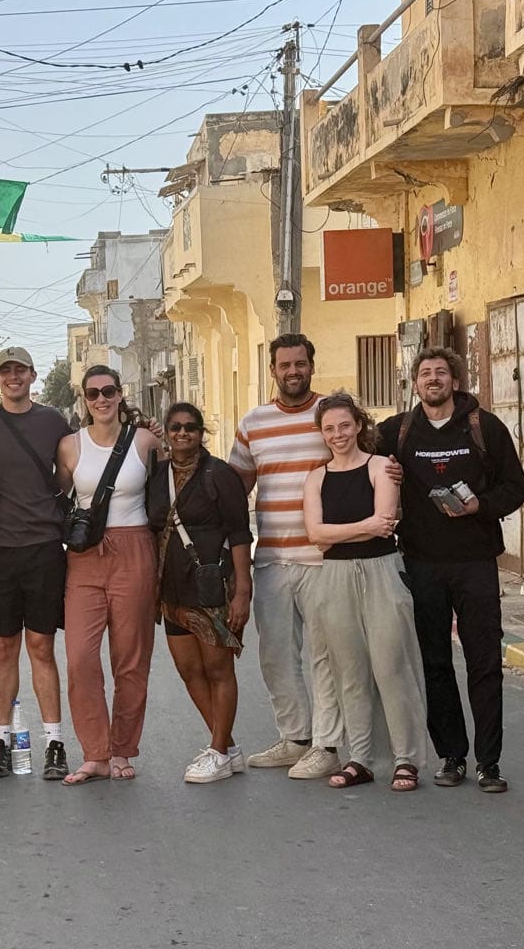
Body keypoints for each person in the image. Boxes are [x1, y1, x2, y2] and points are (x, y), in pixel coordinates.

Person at [377, 348, 524, 793]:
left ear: (455, 382)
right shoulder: (397, 432)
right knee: (434, 664)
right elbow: (354, 458)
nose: (433, 379)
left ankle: (489, 762)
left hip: (475, 563)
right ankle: (452, 755)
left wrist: (481, 505)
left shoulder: (486, 427)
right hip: (421, 564)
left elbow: (517, 487)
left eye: (441, 372)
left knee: (484, 661)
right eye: (425, 373)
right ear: (415, 384)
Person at [0, 347, 73, 781]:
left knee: (41, 647)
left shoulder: (54, 421)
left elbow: (76, 465)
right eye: (5, 371)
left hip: (44, 548)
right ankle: (0, 741)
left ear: (33, 375)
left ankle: (54, 742)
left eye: (20, 369)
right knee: (3, 649)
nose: (13, 377)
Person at [228, 334, 344, 780]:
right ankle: (296, 738)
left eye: (300, 363)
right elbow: (235, 489)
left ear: (312, 365)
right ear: (273, 370)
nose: (293, 371)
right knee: (275, 654)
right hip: (272, 558)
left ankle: (327, 745)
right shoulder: (253, 423)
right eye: (285, 365)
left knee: (325, 657)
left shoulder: (329, 417)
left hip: (324, 559)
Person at [304, 393, 425, 791]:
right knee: (349, 671)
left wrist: (342, 532)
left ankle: (406, 759)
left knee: (392, 666)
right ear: (322, 434)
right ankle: (360, 758)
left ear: (358, 425)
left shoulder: (381, 467)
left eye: (344, 425)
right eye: (329, 429)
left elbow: (385, 523)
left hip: (382, 571)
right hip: (334, 577)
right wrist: (364, 526)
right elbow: (315, 535)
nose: (338, 434)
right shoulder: (316, 478)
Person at [56, 365, 160, 785]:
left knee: (130, 659)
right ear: (84, 399)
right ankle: (95, 753)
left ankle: (121, 749)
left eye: (108, 391)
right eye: (93, 393)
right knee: (80, 657)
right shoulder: (69, 446)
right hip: (85, 556)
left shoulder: (146, 441)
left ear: (120, 394)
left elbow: (165, 494)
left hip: (134, 548)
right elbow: (59, 499)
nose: (101, 399)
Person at [145, 402, 254, 784]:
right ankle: (225, 747)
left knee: (218, 670)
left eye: (190, 427)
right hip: (172, 591)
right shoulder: (156, 476)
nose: (182, 433)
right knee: (189, 671)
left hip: (212, 589)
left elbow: (240, 533)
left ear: (201, 432)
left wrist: (243, 591)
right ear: (166, 432)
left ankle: (218, 751)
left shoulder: (219, 474)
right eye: (175, 427)